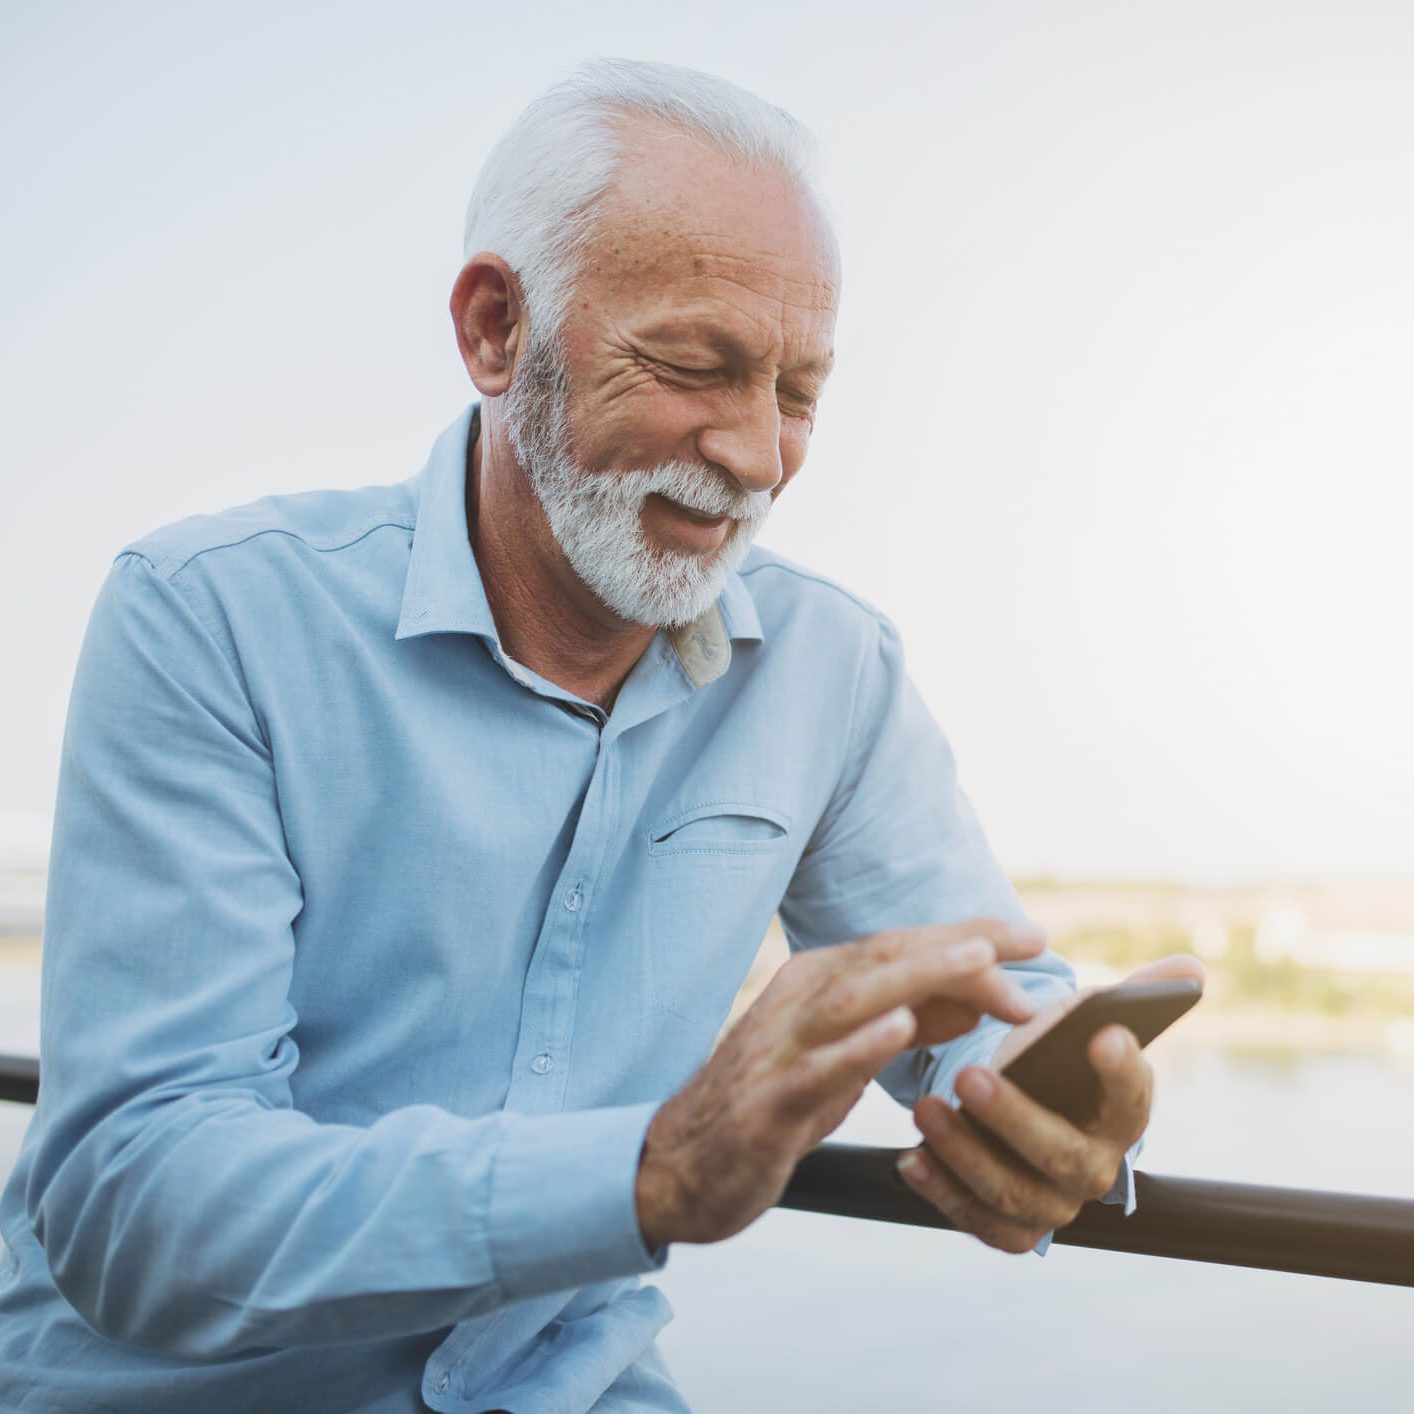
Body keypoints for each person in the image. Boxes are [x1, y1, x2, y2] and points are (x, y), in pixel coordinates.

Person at [0, 58, 1202, 1413]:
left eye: (799, 392)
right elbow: (134, 1205)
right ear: (494, 327)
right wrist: (651, 1172)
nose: (756, 456)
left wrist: (1048, 1092)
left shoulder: (831, 668)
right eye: (697, 367)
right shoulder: (207, 619)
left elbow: (984, 991)